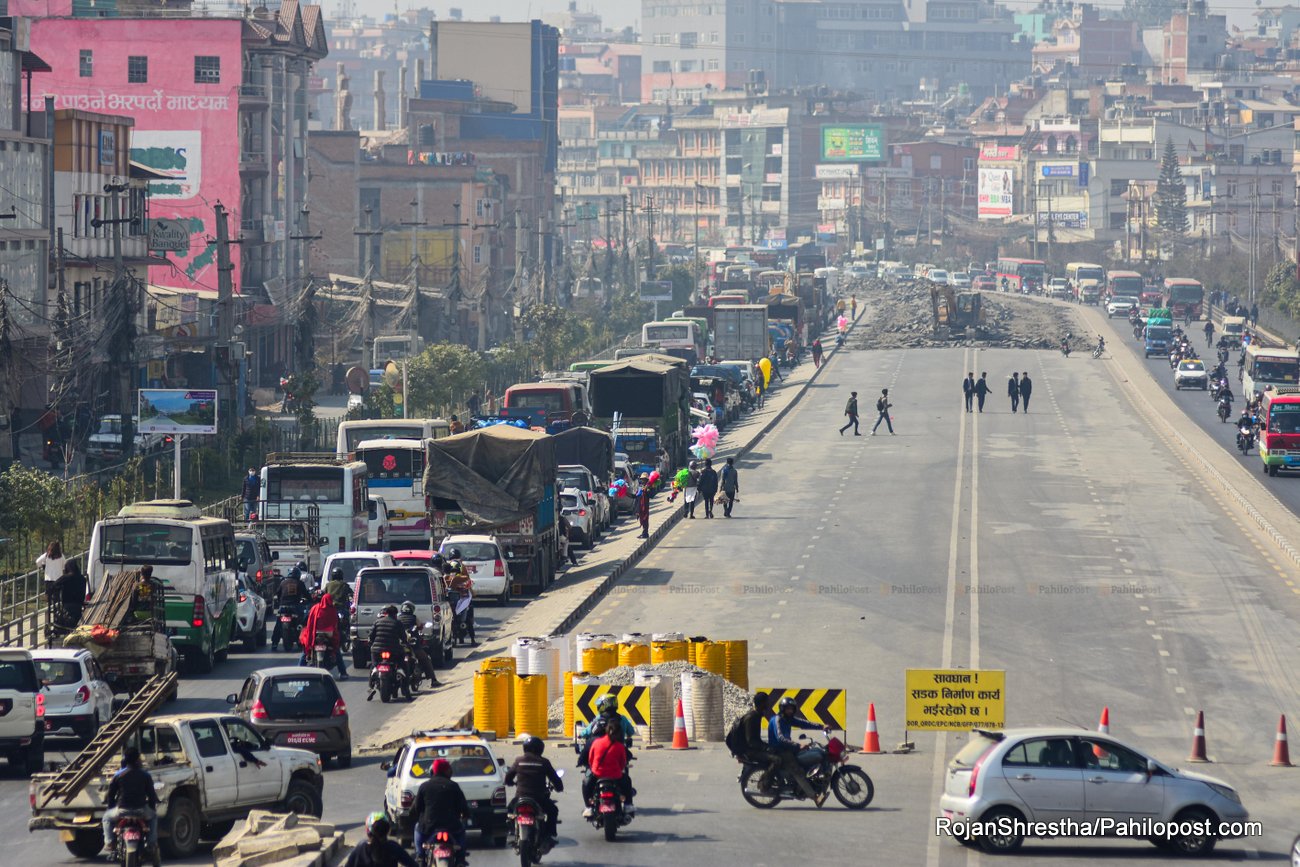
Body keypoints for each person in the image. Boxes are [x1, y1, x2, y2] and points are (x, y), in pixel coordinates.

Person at [100, 747, 159, 864]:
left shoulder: (118, 775)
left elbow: (111, 795)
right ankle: (151, 843)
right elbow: (152, 796)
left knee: (106, 817)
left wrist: (111, 808)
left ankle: (109, 842)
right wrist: (152, 809)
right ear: (138, 759)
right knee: (154, 817)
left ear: (125, 759)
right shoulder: (145, 775)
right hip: (141, 810)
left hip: (122, 811)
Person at [505, 736, 564, 845]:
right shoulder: (544, 762)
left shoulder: (519, 761)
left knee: (508, 811)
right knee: (553, 810)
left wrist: (510, 783)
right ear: (540, 749)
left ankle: (512, 831)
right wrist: (559, 788)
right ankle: (549, 834)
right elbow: (555, 779)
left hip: (520, 797)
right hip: (539, 798)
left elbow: (508, 777)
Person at [767, 697, 824, 804]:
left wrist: (822, 727)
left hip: (788, 748)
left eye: (792, 709)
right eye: (788, 709)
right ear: (782, 709)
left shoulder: (788, 719)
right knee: (797, 771)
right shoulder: (777, 720)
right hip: (779, 751)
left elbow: (804, 723)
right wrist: (798, 745)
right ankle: (815, 797)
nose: (790, 711)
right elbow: (781, 738)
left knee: (812, 753)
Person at [411, 758, 470, 862]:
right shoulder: (454, 786)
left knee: (417, 827)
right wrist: (466, 816)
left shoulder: (424, 786)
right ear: (447, 771)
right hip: (452, 826)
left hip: (429, 826)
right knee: (462, 831)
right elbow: (464, 808)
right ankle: (461, 858)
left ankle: (420, 855)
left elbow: (416, 808)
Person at [582, 723, 634, 818]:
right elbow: (623, 763)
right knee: (627, 781)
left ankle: (588, 807)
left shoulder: (596, 743)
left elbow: (590, 759)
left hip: (597, 774)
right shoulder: (620, 746)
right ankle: (628, 805)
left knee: (585, 783)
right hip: (615, 775)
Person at [299, 593, 348, 678]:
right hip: (329, 634)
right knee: (336, 650)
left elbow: (310, 621)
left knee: (307, 648)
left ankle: (298, 670)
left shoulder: (316, 608)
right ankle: (343, 672)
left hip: (316, 632)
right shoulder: (332, 610)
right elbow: (336, 624)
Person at [345, 813, 417, 867]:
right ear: (387, 830)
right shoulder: (394, 847)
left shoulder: (361, 847)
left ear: (368, 831)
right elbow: (412, 865)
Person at [396, 600, 441, 685]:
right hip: (413, 646)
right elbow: (420, 626)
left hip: (399, 646)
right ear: (412, 609)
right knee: (426, 659)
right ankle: (433, 680)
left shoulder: (398, 619)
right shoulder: (414, 618)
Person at [272, 565, 310, 651]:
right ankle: (302, 640)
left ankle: (274, 643)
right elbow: (306, 595)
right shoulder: (300, 583)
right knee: (303, 622)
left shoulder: (283, 582)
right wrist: (310, 600)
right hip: (295, 607)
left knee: (278, 625)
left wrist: (279, 602)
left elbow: (277, 593)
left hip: (283, 607)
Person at [445, 559, 476, 646]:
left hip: (453, 604)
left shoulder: (445, 578)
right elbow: (470, 587)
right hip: (458, 604)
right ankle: (472, 639)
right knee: (469, 619)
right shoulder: (462, 578)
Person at [367, 605, 406, 674]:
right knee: (402, 656)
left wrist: (371, 642)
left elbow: (371, 635)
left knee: (374, 663)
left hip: (377, 649)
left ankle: (374, 672)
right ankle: (400, 670)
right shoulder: (398, 623)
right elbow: (403, 637)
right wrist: (405, 643)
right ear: (396, 614)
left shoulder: (377, 622)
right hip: (394, 649)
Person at [59, 560, 87, 627]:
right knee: (77, 621)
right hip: (78, 604)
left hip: (67, 603)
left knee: (68, 622)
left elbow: (54, 585)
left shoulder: (65, 578)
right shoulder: (82, 578)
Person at [37, 541, 65, 609]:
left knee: (49, 596)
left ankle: (49, 610)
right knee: (57, 597)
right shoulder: (61, 556)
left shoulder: (46, 555)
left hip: (48, 579)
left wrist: (42, 566)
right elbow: (64, 566)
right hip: (58, 579)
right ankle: (57, 611)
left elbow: (37, 562)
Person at [635, 473, 652, 539]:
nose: (642, 480)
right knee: (642, 518)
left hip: (645, 505)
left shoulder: (648, 487)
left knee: (645, 519)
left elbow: (650, 495)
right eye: (642, 479)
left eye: (644, 479)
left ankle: (645, 533)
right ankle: (644, 532)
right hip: (640, 505)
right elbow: (636, 496)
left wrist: (646, 490)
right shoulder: (641, 487)